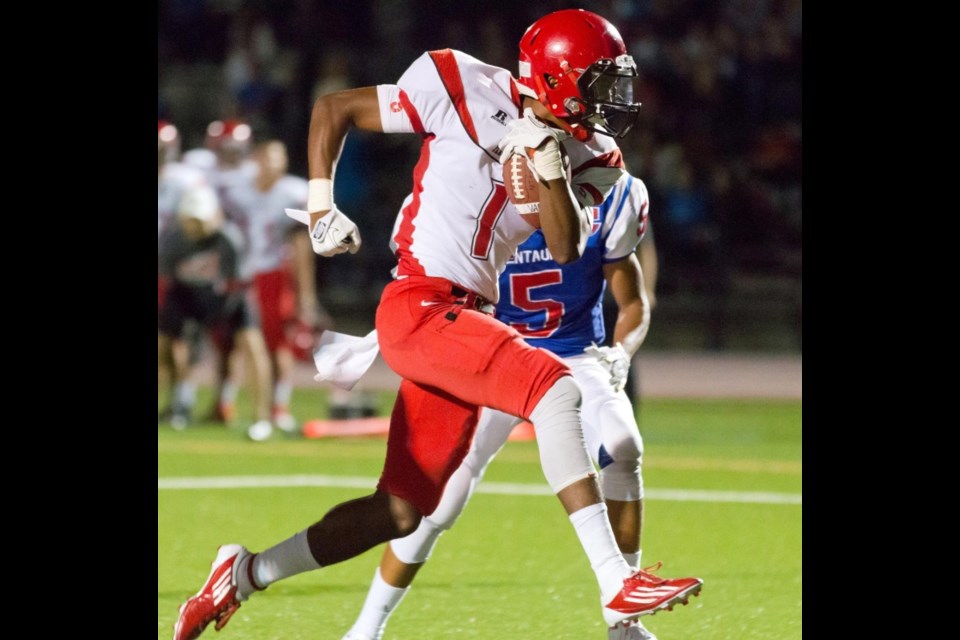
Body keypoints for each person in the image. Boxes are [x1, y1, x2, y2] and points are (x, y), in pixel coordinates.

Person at [174, 10, 701, 640]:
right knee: (553, 389)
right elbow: (333, 108)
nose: (611, 99)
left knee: (399, 510)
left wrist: (550, 165)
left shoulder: (595, 154)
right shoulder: (463, 83)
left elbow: (565, 247)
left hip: (464, 318)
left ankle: (243, 573)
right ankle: (617, 584)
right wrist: (321, 206)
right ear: (558, 76)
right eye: (598, 81)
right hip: (419, 303)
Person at [342, 172, 661, 640]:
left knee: (623, 444)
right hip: (493, 354)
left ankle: (624, 625)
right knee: (439, 502)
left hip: (573, 352)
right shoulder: (459, 187)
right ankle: (367, 627)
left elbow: (633, 301)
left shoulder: (608, 191)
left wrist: (621, 352)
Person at [218, 140, 325, 439]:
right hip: (239, 274)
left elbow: (301, 245)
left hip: (275, 275)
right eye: (269, 157)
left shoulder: (293, 192)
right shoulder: (235, 187)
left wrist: (306, 294)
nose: (275, 164)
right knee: (234, 342)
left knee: (278, 344)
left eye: (280, 158)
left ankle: (278, 408)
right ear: (256, 159)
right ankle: (226, 403)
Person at [157, 185, 273, 436]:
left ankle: (262, 417)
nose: (195, 227)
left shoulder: (229, 239)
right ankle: (178, 403)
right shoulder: (174, 240)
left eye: (200, 221)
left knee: (252, 345)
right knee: (165, 344)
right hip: (187, 295)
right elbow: (169, 282)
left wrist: (217, 319)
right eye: (190, 221)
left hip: (227, 297)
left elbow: (238, 284)